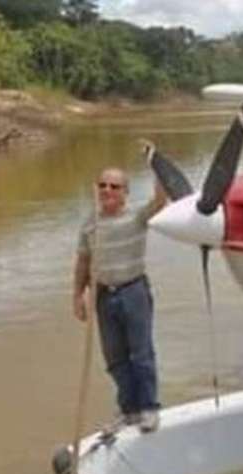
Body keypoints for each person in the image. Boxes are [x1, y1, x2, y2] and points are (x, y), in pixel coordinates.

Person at [73, 165, 168, 434]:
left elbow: (160, 202)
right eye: (102, 185)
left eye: (114, 186)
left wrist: (157, 166)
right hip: (104, 294)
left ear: (125, 192)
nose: (107, 190)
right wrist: (77, 296)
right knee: (115, 358)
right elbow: (82, 262)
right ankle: (128, 410)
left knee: (141, 354)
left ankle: (149, 407)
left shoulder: (137, 216)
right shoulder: (90, 224)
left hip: (133, 291)